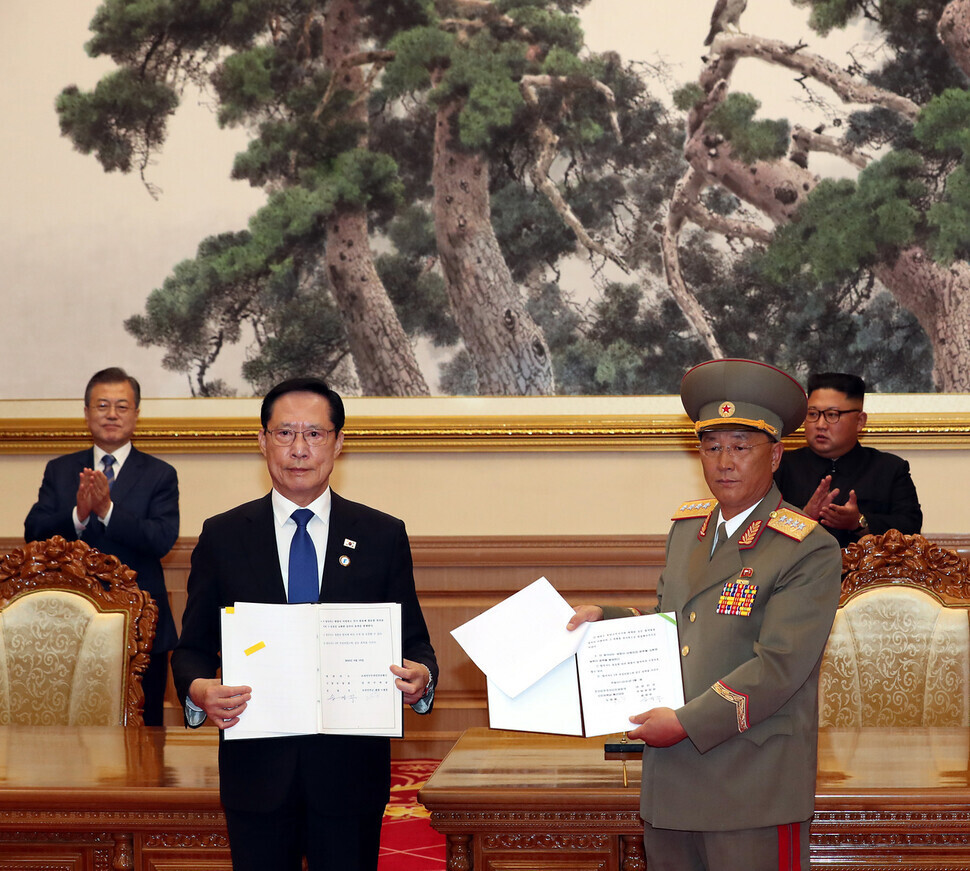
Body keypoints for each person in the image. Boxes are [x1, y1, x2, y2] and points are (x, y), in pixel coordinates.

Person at [568, 358, 842, 871]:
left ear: (777, 454)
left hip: (751, 782)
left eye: (741, 446)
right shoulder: (688, 531)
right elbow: (675, 624)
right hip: (673, 778)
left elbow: (779, 666)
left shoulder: (807, 548)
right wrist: (602, 620)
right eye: (712, 447)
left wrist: (687, 722)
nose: (724, 462)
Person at [171, 376, 437, 871]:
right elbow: (191, 648)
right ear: (261, 440)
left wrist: (420, 678)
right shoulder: (223, 535)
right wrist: (199, 691)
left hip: (350, 770)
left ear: (339, 442)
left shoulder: (382, 534)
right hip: (256, 769)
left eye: (314, 434)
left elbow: (415, 643)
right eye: (284, 433)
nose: (298, 449)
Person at [24, 367, 179, 726]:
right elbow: (34, 533)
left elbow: (161, 540)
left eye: (122, 406)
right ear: (87, 413)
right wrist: (78, 514)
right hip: (67, 624)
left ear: (136, 414)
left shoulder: (160, 474)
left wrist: (108, 510)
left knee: (144, 730)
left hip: (141, 626)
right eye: (103, 405)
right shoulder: (60, 470)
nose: (112, 414)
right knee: (69, 727)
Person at [774, 372, 922, 548]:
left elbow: (911, 530)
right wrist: (804, 517)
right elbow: (758, 527)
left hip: (868, 574)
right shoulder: (779, 466)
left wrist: (859, 522)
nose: (820, 424)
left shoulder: (890, 469)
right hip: (798, 573)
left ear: (860, 421)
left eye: (832, 414)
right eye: (813, 414)